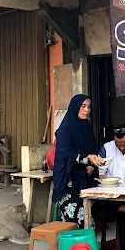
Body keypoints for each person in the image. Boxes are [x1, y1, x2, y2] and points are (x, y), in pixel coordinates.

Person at [52, 94, 103, 227]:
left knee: (88, 221)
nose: (87, 110)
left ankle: (85, 248)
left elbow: (92, 150)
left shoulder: (86, 127)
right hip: (70, 183)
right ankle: (72, 248)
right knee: (74, 224)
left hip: (85, 180)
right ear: (75, 107)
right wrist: (87, 159)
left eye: (89, 107)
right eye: (83, 106)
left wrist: (93, 164)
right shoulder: (65, 130)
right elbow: (66, 154)